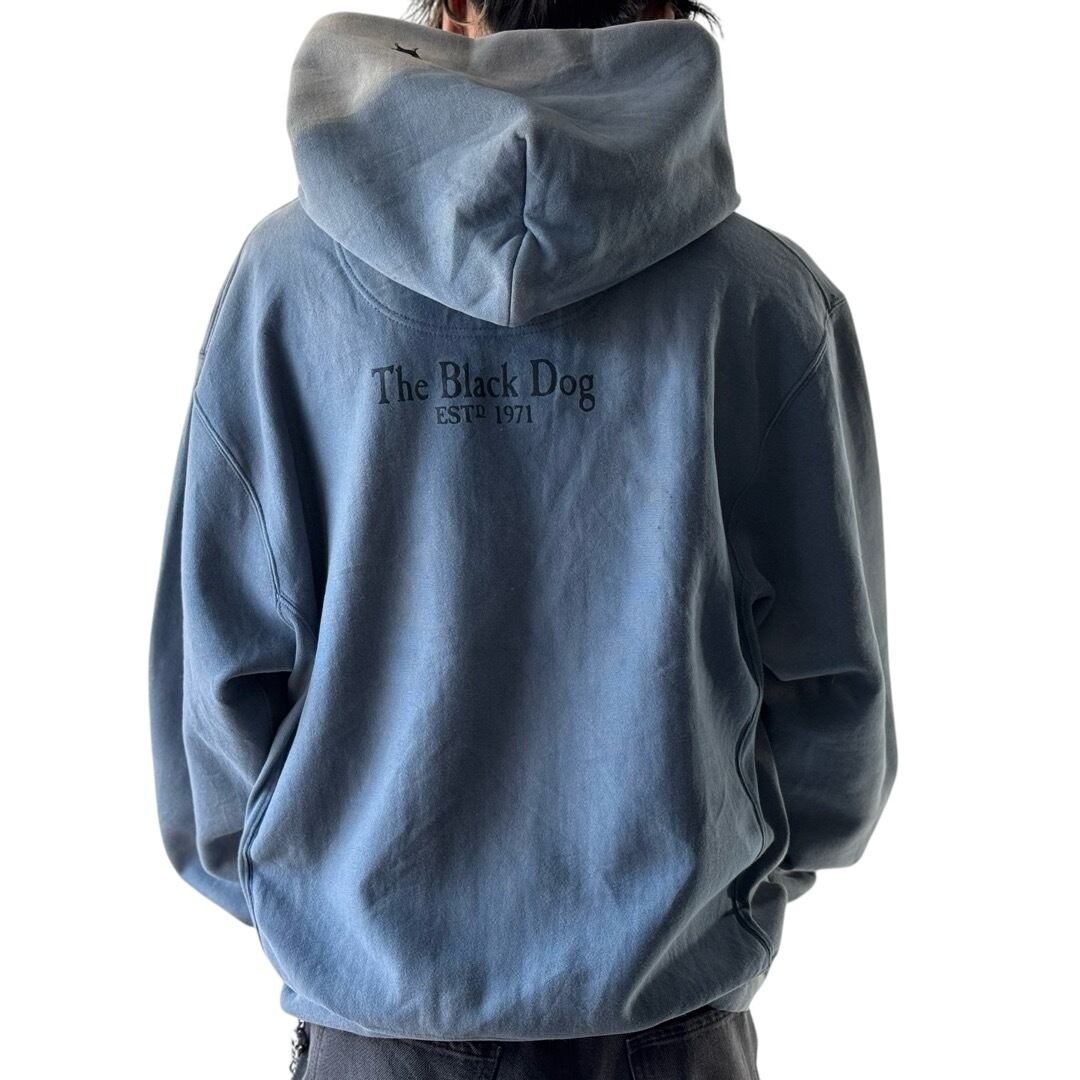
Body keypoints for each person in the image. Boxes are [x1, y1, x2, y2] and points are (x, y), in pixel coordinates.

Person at [147, 1, 898, 1077]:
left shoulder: (283, 285)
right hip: (665, 1027)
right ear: (666, 10)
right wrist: (708, 902)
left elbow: (214, 693)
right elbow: (837, 716)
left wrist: (331, 914)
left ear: (453, 9)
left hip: (377, 1032)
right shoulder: (767, 302)